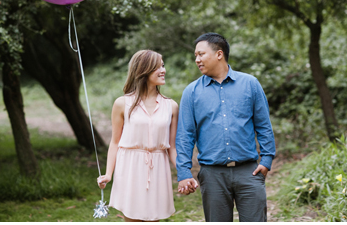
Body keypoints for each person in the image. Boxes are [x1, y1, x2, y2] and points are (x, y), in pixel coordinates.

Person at [176, 33, 275, 222]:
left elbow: (263, 125)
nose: (197, 60)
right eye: (195, 55)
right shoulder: (192, 92)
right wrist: (183, 171)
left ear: (219, 54)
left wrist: (267, 159)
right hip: (212, 175)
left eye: (201, 54)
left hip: (249, 172)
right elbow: (185, 135)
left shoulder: (250, 84)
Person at [98, 50, 178, 222]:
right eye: (158, 67)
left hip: (158, 167)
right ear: (143, 70)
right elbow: (115, 142)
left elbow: (172, 146)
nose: (163, 70)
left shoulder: (171, 106)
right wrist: (108, 174)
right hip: (130, 167)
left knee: (154, 218)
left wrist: (184, 174)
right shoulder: (122, 103)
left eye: (163, 65)